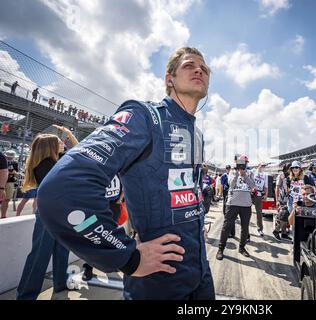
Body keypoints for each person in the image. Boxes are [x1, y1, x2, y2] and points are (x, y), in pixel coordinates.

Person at [38, 47, 214, 300]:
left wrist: (194, 225)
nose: (199, 69)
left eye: (204, 68)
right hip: (157, 280)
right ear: (169, 79)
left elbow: (185, 190)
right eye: (189, 65)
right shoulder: (144, 116)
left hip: (200, 273)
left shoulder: (197, 133)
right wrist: (127, 256)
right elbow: (62, 190)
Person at [16, 128, 78, 300]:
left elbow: (76, 150)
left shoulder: (51, 162)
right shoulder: (48, 165)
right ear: (50, 146)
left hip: (56, 214)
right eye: (58, 141)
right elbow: (78, 151)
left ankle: (60, 283)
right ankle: (26, 295)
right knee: (39, 256)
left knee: (61, 250)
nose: (62, 143)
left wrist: (69, 135)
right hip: (51, 215)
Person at [216, 155, 255, 260]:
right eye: (241, 163)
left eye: (245, 163)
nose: (243, 165)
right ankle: (221, 248)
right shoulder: (232, 172)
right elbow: (231, 185)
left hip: (246, 204)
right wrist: (238, 174)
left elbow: (253, 187)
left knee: (245, 227)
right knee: (226, 226)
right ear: (237, 164)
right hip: (232, 203)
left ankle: (242, 248)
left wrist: (245, 175)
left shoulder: (250, 173)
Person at [1, 150, 19, 219]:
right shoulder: (2, 161)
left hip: (9, 182)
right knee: (5, 199)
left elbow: (17, 172)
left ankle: (3, 215)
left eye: (10, 157)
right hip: (3, 181)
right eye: (8, 157)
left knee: (7, 199)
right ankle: (3, 215)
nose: (9, 158)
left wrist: (13, 172)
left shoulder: (15, 163)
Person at [252, 163, 268, 237]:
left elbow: (266, 186)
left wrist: (266, 195)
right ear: (258, 165)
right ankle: (246, 230)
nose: (263, 167)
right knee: (246, 212)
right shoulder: (253, 171)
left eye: (264, 166)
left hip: (259, 194)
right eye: (262, 166)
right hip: (250, 193)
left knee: (259, 213)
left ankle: (260, 229)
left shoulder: (265, 175)